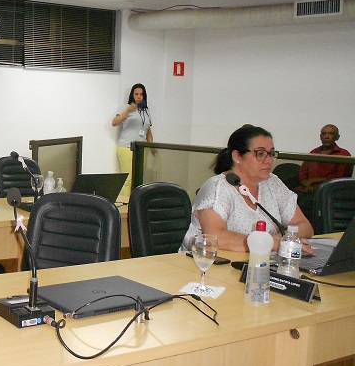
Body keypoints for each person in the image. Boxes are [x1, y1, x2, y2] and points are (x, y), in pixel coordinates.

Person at [182, 125, 313, 253]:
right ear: (237, 156)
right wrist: (273, 244)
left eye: (271, 154)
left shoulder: (273, 183)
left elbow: (304, 226)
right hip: (207, 263)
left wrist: (279, 240)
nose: (269, 161)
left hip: (262, 261)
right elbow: (216, 237)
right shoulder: (216, 188)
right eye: (260, 154)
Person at [295, 124, 353, 221]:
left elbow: (338, 179)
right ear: (320, 136)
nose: (326, 136)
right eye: (324, 134)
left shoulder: (343, 154)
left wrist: (313, 182)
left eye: (331, 134)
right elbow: (303, 173)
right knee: (289, 198)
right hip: (306, 189)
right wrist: (306, 183)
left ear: (337, 137)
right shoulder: (314, 152)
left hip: (327, 192)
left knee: (307, 202)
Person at [112, 83, 155, 197]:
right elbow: (114, 122)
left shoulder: (146, 111)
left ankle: (134, 203)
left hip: (141, 149)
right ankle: (124, 204)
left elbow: (148, 132)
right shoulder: (126, 107)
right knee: (128, 180)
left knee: (138, 179)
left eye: (141, 94)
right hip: (127, 147)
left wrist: (152, 147)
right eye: (136, 94)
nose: (139, 96)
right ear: (132, 95)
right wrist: (128, 111)